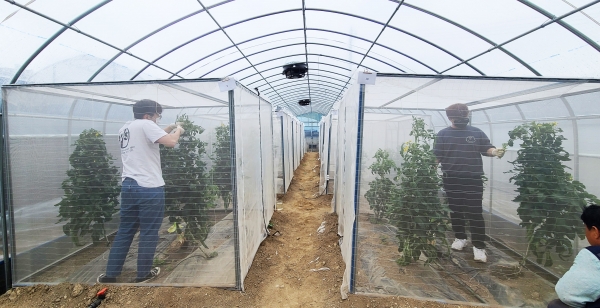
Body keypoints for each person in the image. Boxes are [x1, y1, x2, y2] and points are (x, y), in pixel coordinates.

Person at [97, 99, 185, 283]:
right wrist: (178, 130)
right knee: (149, 231)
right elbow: (170, 142)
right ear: (148, 115)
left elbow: (150, 139)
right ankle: (143, 274)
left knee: (125, 230)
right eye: (157, 116)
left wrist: (167, 127)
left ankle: (111, 275)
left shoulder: (126, 128)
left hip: (129, 186)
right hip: (148, 187)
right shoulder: (146, 124)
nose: (157, 120)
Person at [433, 103, 504, 263]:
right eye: (457, 117)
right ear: (450, 117)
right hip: (451, 178)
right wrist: (429, 168)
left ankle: (479, 247)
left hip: (473, 178)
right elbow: (437, 155)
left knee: (475, 212)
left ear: (467, 116)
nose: (461, 120)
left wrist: (494, 151)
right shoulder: (443, 134)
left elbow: (486, 147)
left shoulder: (476, 132)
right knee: (455, 210)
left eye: (464, 117)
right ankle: (460, 238)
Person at [547, 204, 600, 308]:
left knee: (555, 305)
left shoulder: (592, 255)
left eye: (585, 228)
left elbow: (566, 293)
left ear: (595, 232)